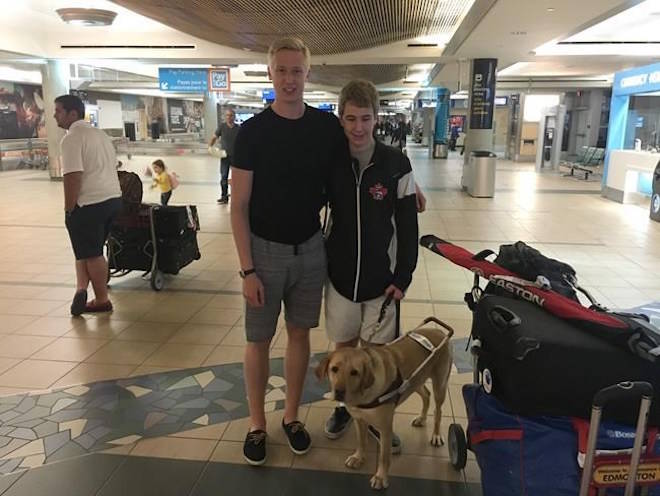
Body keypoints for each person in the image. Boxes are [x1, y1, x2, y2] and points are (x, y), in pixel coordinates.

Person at [230, 37, 348, 466]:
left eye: (296, 71)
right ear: (270, 74)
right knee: (258, 339)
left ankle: (292, 417)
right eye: (281, 70)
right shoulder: (253, 132)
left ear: (308, 74)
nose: (289, 79)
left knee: (301, 335)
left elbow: (354, 165)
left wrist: (408, 184)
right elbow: (238, 206)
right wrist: (247, 271)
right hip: (263, 252)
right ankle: (257, 424)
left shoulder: (324, 128)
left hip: (311, 249)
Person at [323, 79, 419, 453]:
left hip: (382, 281)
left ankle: (379, 419)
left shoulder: (396, 164)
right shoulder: (331, 162)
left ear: (377, 118)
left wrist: (404, 275)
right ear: (341, 119)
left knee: (379, 357)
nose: (358, 128)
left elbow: (409, 225)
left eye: (365, 118)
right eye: (350, 119)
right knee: (344, 350)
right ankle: (347, 409)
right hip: (341, 279)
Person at [54, 94, 122, 316]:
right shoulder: (99, 134)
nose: (54, 114)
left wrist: (69, 208)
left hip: (90, 203)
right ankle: (81, 289)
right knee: (84, 249)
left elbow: (73, 176)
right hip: (112, 198)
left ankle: (102, 300)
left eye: (58, 111)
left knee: (92, 253)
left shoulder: (72, 138)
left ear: (73, 113)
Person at [209, 108, 240, 204]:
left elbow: (243, 141)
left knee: (237, 177)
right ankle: (224, 196)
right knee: (224, 176)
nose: (229, 117)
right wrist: (210, 146)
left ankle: (238, 196)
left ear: (234, 117)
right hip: (224, 156)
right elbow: (214, 137)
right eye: (227, 115)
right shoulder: (222, 127)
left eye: (231, 115)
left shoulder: (238, 128)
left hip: (236, 156)